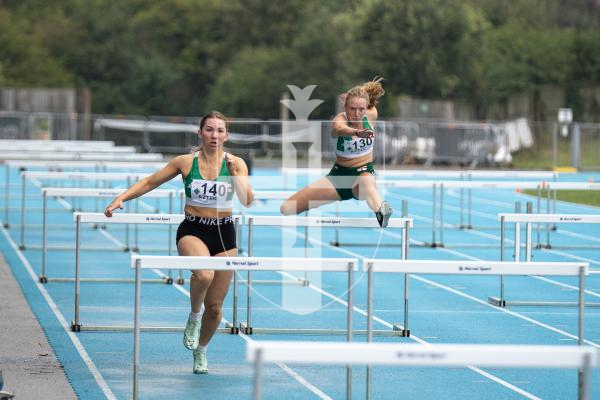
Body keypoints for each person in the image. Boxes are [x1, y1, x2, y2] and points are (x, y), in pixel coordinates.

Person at [104, 111, 253, 374]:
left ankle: (202, 350)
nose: (214, 135)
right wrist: (122, 198)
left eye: (219, 131)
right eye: (209, 130)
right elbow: (151, 181)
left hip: (224, 234)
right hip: (193, 230)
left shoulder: (236, 163)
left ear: (226, 135)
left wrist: (235, 176)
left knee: (217, 309)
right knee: (203, 274)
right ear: (200, 132)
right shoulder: (185, 162)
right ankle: (194, 316)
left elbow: (248, 199)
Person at [280, 77, 393, 227]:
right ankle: (314, 201)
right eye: (352, 109)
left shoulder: (371, 115)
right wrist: (357, 133)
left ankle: (381, 211)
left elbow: (363, 100)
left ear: (366, 108)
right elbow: (339, 129)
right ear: (345, 108)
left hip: (362, 174)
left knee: (367, 181)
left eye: (361, 109)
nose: (357, 114)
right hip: (338, 177)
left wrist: (354, 97)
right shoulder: (340, 119)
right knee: (286, 208)